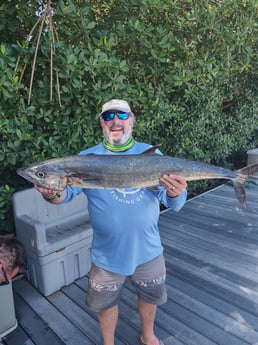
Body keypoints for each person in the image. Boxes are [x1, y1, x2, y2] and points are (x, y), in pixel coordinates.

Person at [35, 99, 187, 345]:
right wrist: (52, 192)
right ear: (102, 124)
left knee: (150, 297)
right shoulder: (85, 159)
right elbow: (63, 196)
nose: (116, 121)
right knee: (105, 304)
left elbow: (176, 205)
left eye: (122, 115)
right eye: (109, 117)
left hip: (148, 250)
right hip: (107, 255)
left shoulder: (153, 155)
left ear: (132, 120)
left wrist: (174, 192)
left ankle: (148, 335)